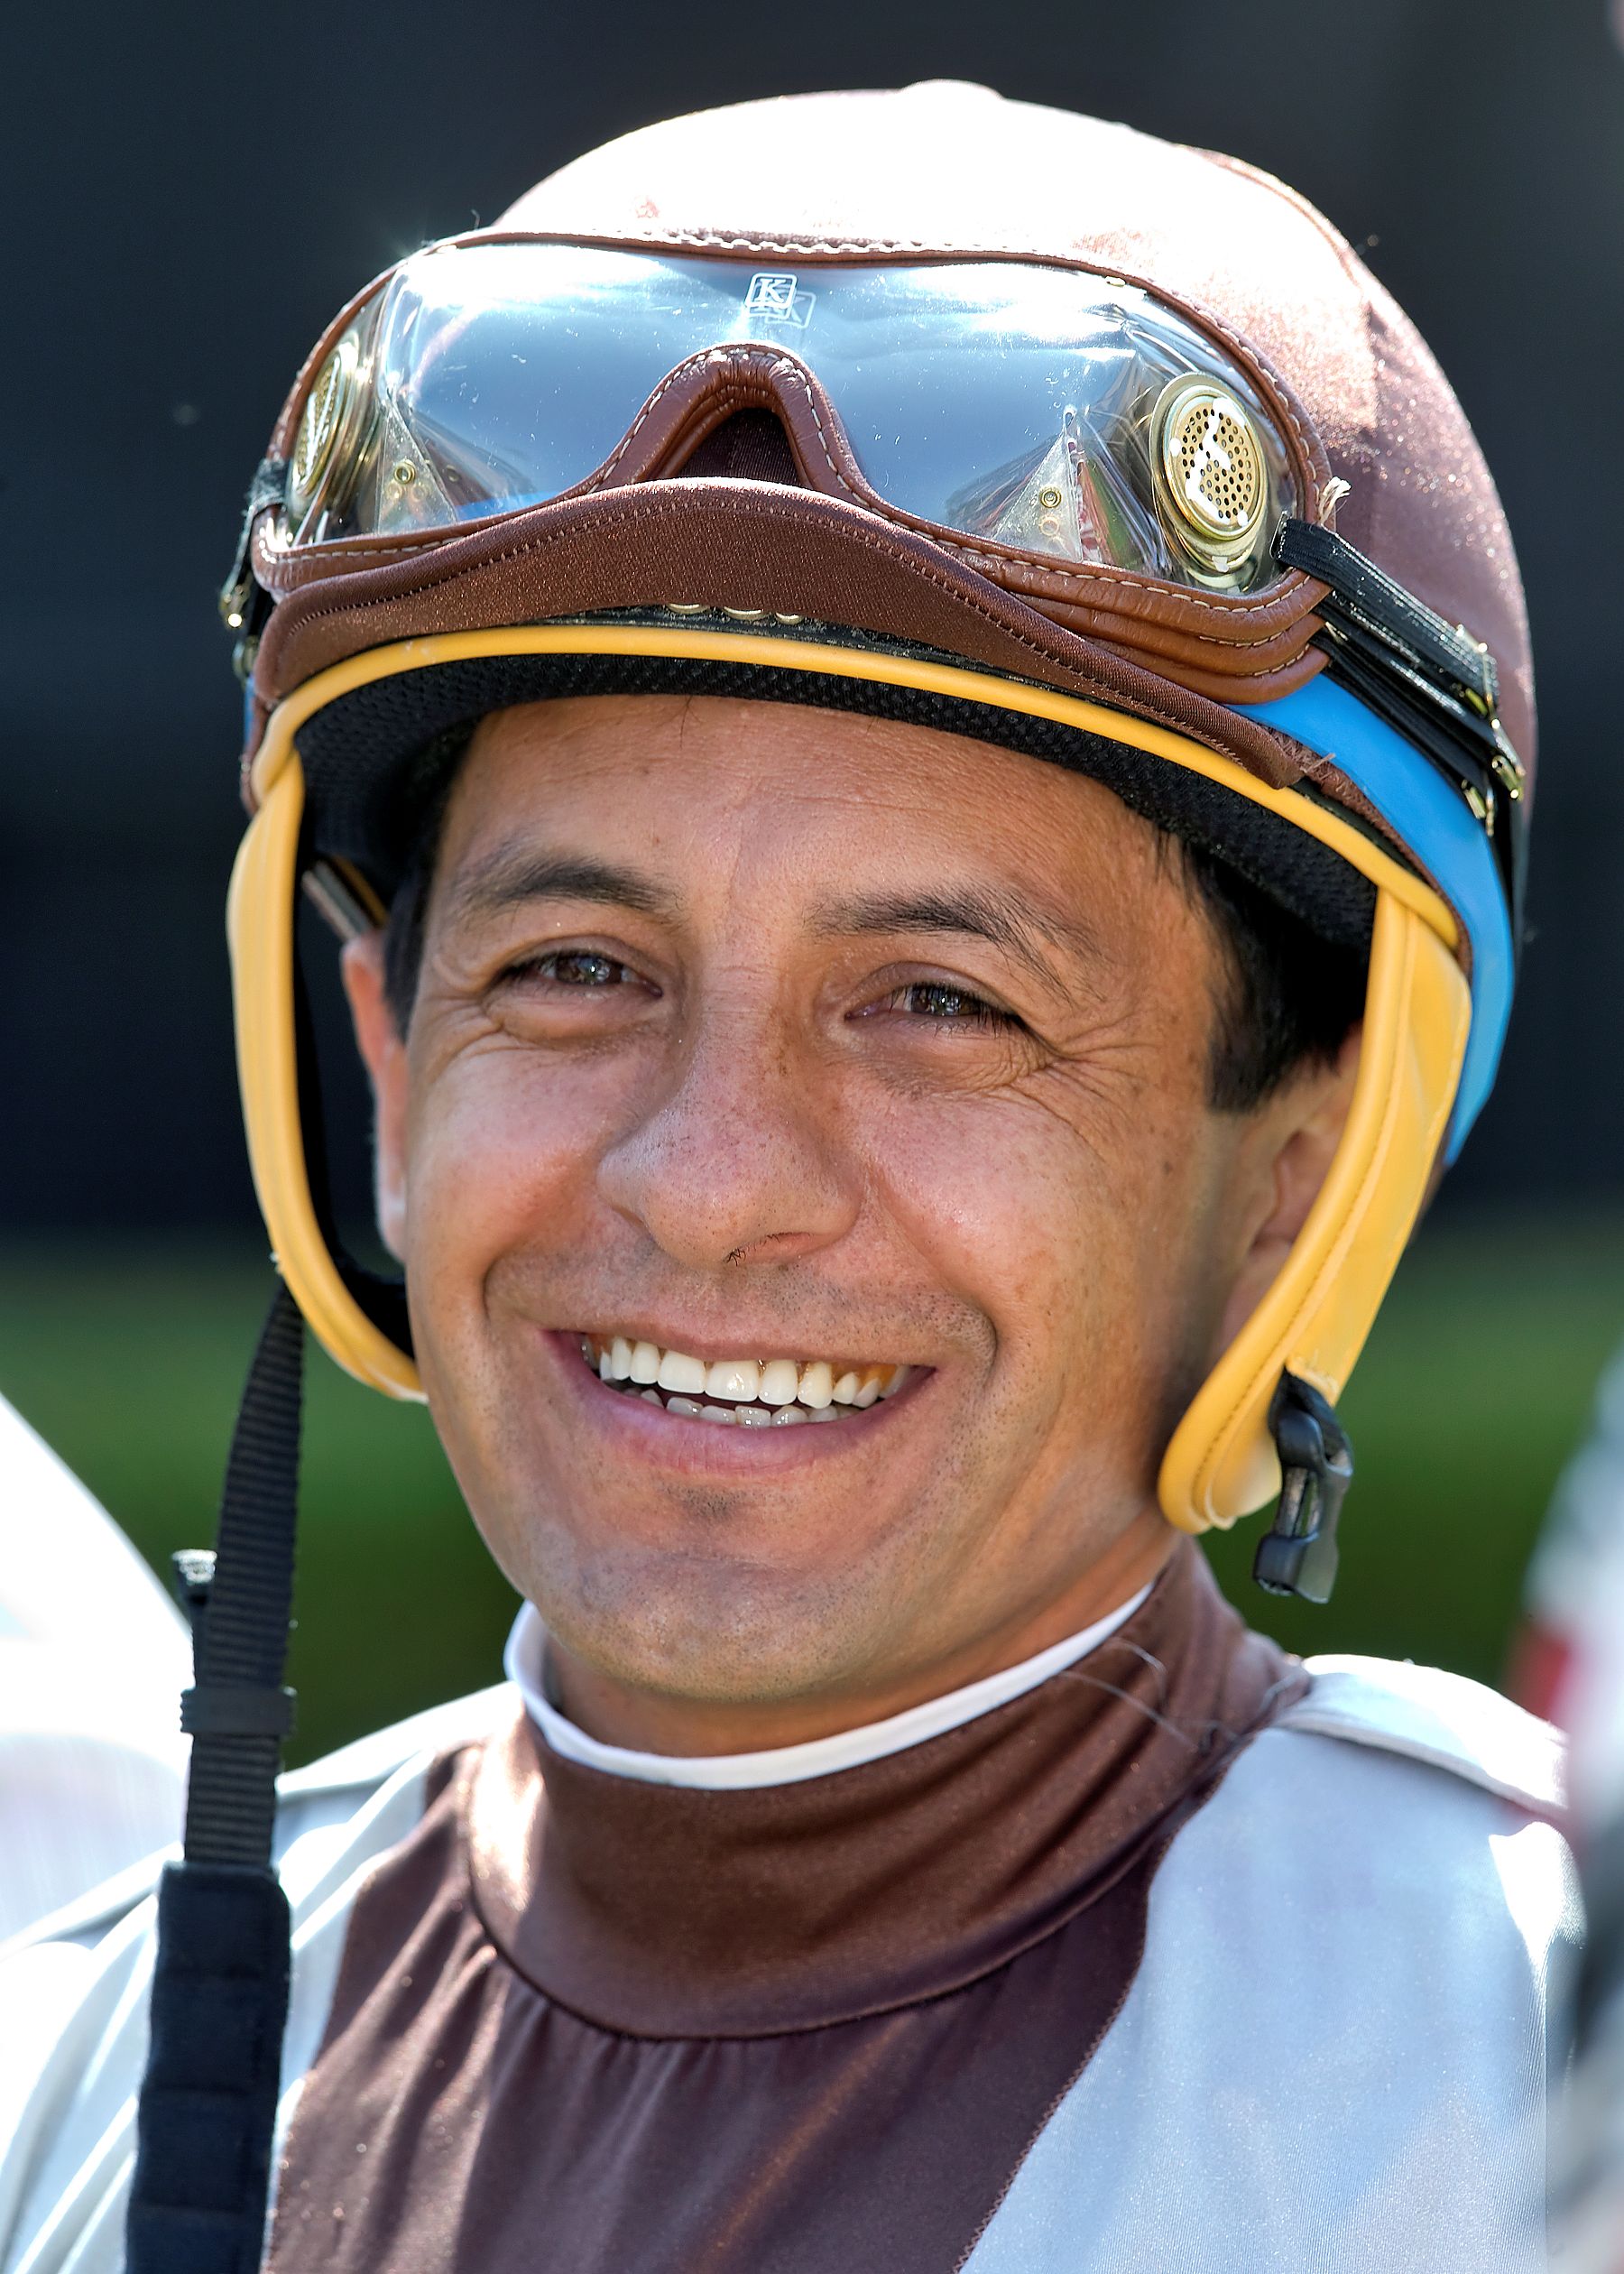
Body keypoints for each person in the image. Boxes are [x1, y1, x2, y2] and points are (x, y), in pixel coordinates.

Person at [0, 82, 1575, 2274]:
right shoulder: (71, 2073)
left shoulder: (1541, 2082)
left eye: (939, 1002)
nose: (713, 1184)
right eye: (574, 970)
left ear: (1298, 1177)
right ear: (379, 1055)